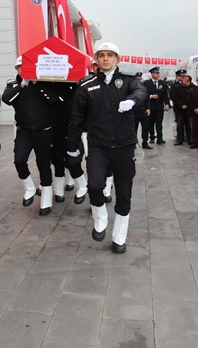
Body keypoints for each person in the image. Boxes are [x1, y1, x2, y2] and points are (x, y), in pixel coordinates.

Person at [66, 42, 148, 254]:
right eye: (101, 55)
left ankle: (119, 236)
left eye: (110, 55)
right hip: (98, 145)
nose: (105, 59)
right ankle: (100, 218)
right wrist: (72, 146)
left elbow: (141, 92)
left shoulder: (128, 81)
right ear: (96, 59)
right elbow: (76, 118)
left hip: (124, 145)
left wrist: (132, 100)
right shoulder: (86, 85)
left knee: (124, 192)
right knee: (94, 186)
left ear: (117, 59)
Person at [3, 56, 59, 215]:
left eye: (26, 66)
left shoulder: (43, 83)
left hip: (44, 130)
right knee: (19, 160)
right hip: (25, 131)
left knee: (44, 164)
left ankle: (46, 199)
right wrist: (22, 85)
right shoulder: (14, 85)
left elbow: (53, 100)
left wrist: (36, 83)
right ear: (17, 69)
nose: (23, 69)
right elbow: (7, 99)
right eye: (20, 67)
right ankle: (29, 188)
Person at [145, 66, 169, 145]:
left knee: (159, 123)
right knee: (151, 123)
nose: (157, 75)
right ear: (152, 74)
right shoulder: (147, 83)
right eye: (156, 73)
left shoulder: (162, 83)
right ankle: (152, 137)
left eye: (158, 73)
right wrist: (151, 96)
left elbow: (165, 95)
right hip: (151, 106)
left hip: (159, 106)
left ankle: (160, 138)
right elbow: (144, 94)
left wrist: (167, 104)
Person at [171, 74, 191, 145]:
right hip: (179, 109)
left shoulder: (192, 87)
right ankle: (180, 139)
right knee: (179, 125)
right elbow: (174, 97)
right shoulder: (177, 87)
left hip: (189, 109)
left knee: (189, 125)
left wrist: (188, 105)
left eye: (187, 80)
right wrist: (181, 105)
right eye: (184, 80)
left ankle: (190, 139)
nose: (185, 81)